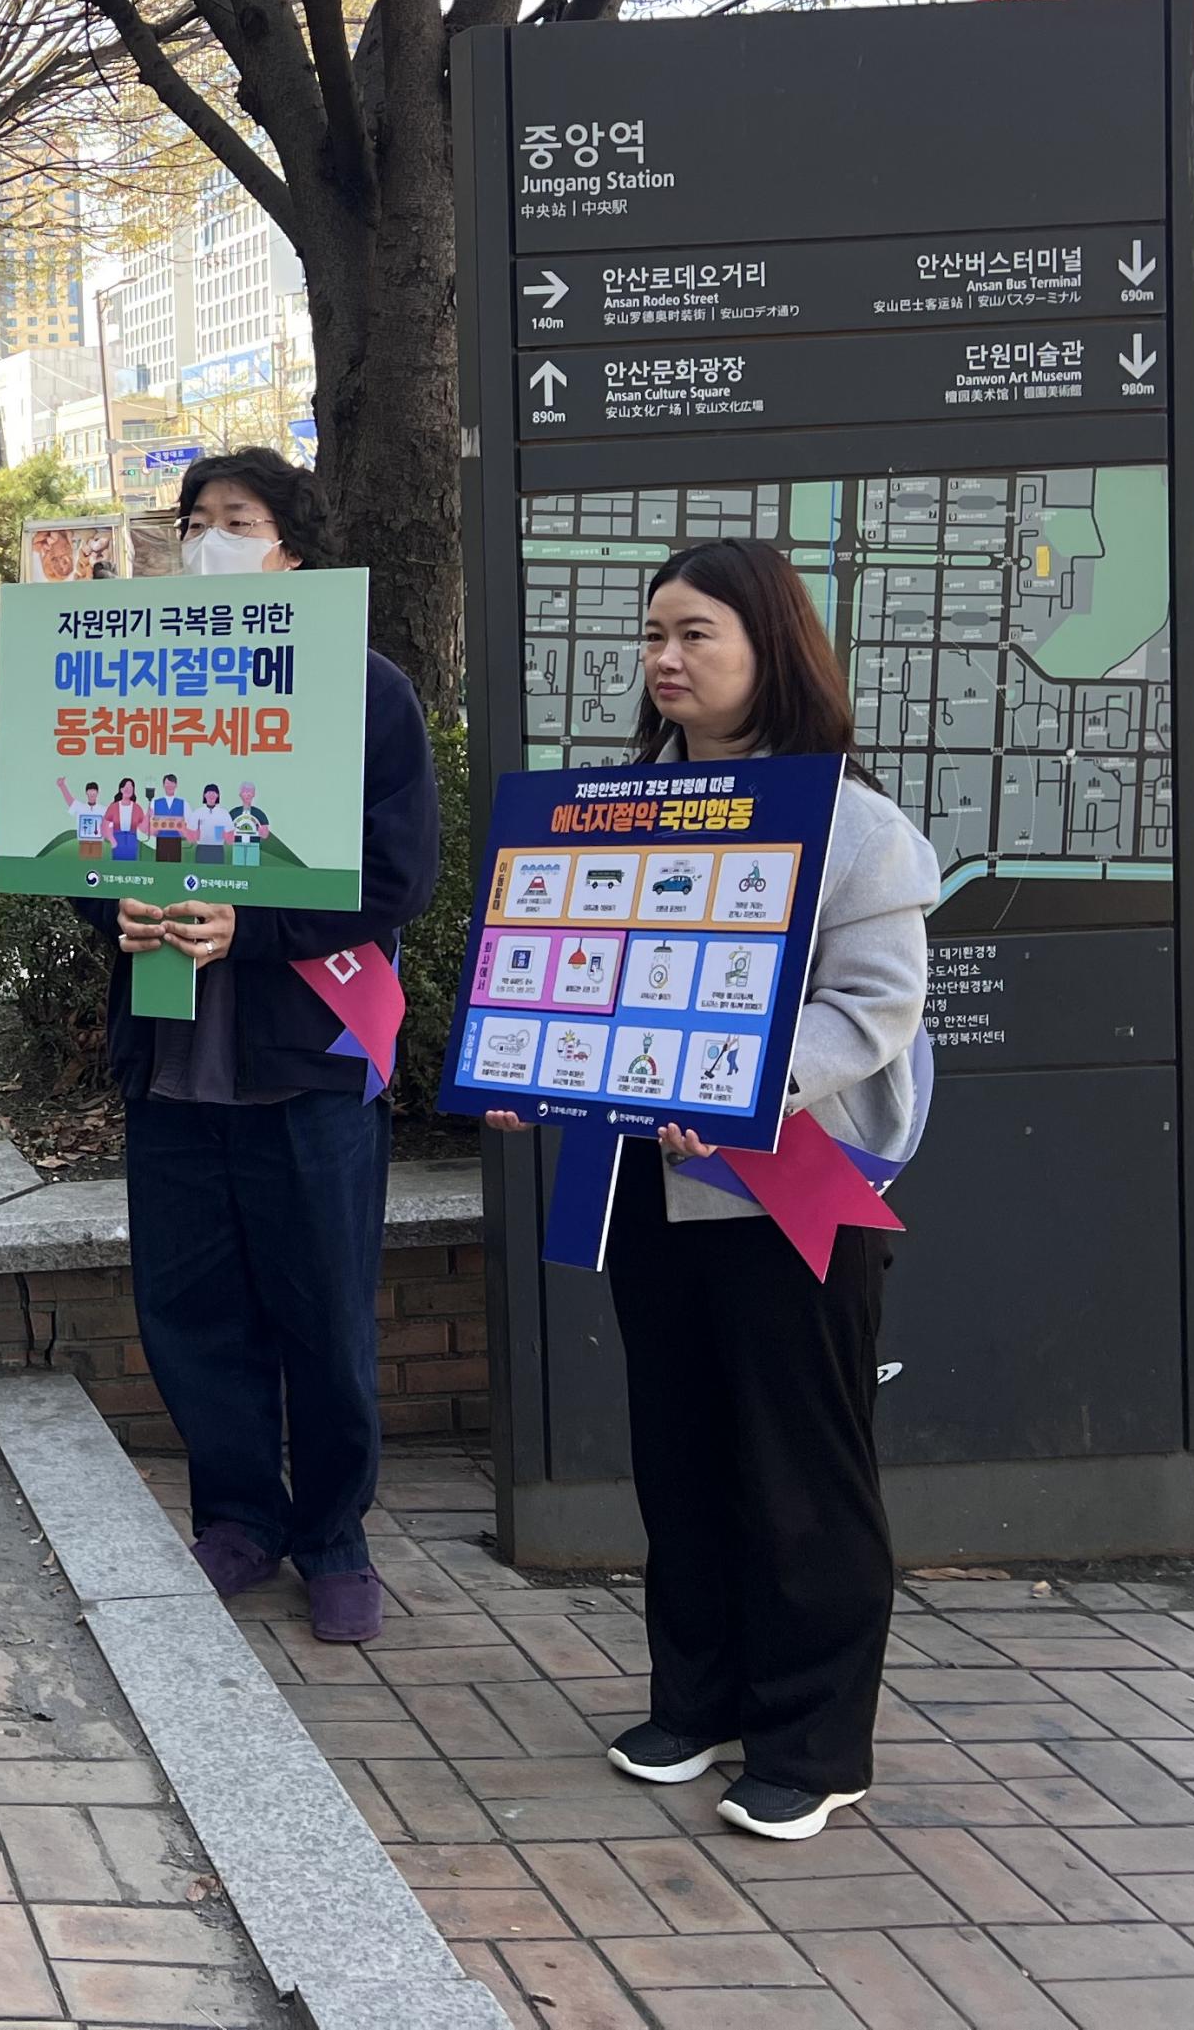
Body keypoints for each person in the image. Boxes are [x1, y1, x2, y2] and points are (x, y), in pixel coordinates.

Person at [488, 538, 936, 1843]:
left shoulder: (855, 828)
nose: (667, 659)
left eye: (698, 635)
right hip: (645, 1185)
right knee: (680, 1447)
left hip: (787, 1192)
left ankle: (813, 1736)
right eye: (655, 635)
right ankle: (698, 1695)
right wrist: (534, 1059)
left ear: (771, 651)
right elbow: (568, 978)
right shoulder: (618, 812)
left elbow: (875, 1008)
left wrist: (741, 1082)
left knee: (801, 1460)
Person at [93, 448, 439, 1645]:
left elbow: (397, 875)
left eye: (236, 520)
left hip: (306, 1061)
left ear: (292, 543)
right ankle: (236, 1516)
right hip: (172, 1065)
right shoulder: (144, 677)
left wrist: (254, 927)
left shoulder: (364, 687)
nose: (209, 541)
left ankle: (334, 1534)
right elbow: (79, 838)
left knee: (324, 1311)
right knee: (190, 1310)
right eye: (194, 522)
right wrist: (112, 906)